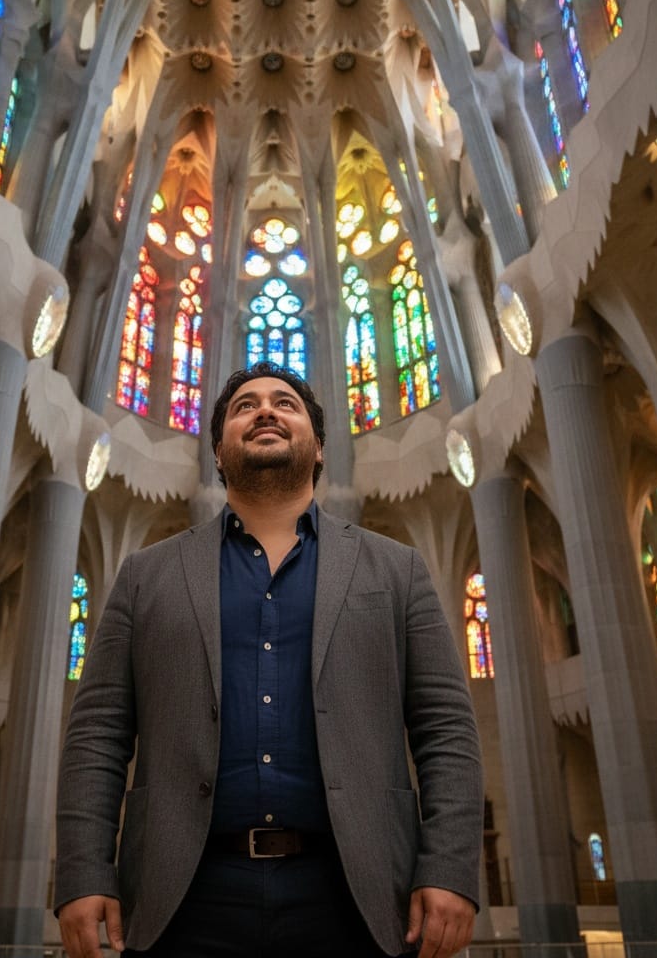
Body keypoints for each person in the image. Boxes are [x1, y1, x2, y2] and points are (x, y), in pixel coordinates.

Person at [55, 363, 483, 958]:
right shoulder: (145, 575)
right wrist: (83, 870)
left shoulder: (396, 570)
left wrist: (450, 866)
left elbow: (446, 729)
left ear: (320, 449)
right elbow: (96, 735)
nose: (265, 411)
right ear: (219, 454)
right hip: (183, 895)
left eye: (285, 403)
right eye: (244, 406)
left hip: (357, 895)